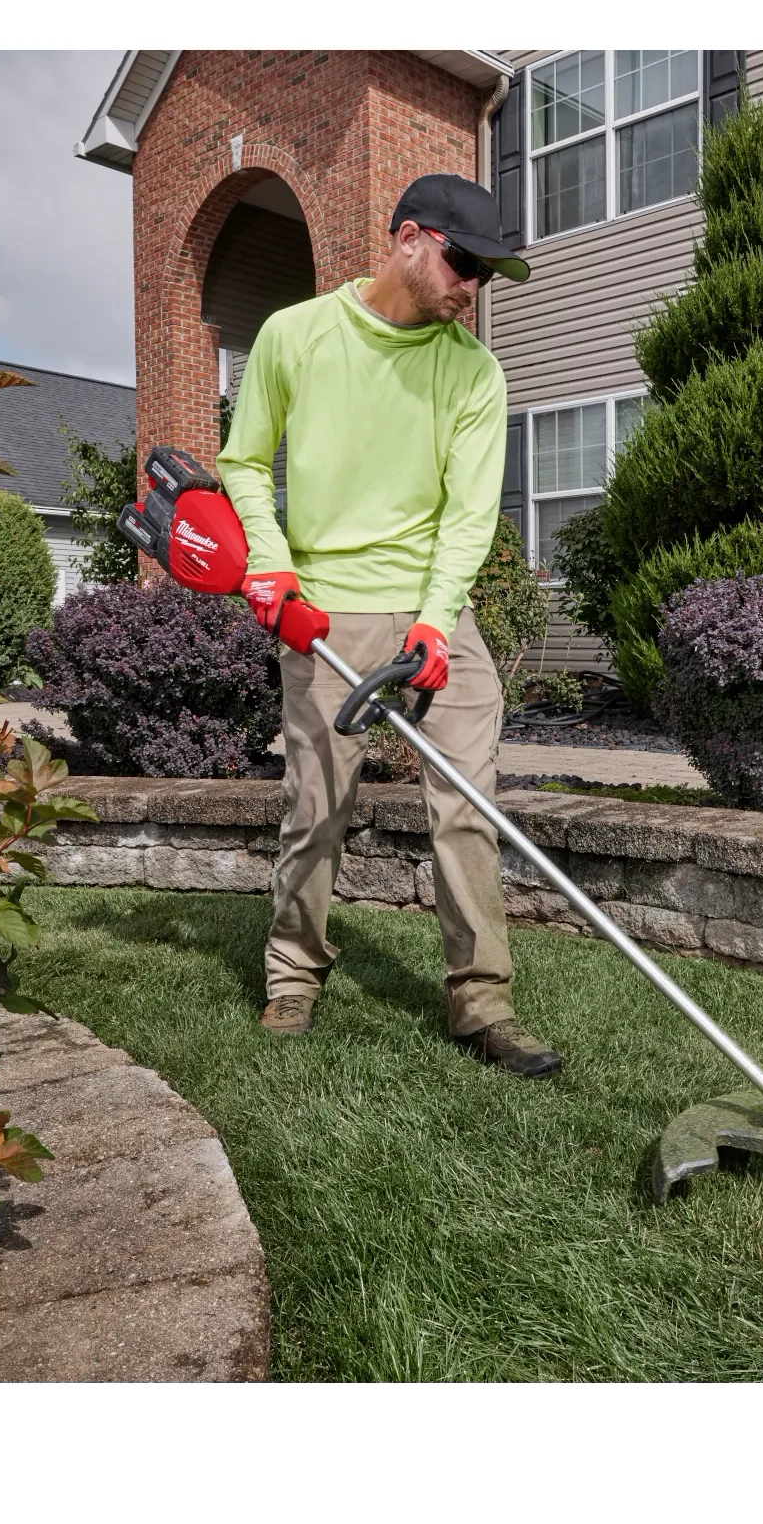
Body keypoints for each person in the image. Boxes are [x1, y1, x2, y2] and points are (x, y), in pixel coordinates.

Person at [216, 174, 562, 1077]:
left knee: (468, 807)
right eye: (463, 263)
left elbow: (469, 515)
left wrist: (438, 623)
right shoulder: (295, 336)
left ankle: (481, 1003)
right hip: (326, 609)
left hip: (437, 611)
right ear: (408, 238)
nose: (472, 287)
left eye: (486, 274)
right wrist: (271, 563)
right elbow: (244, 462)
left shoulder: (474, 372)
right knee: (317, 807)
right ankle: (294, 974)